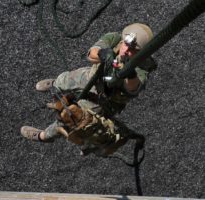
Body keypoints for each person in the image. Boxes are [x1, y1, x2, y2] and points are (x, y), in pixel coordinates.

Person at [20, 23, 156, 155]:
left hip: (104, 99)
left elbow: (132, 88)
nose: (126, 50)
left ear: (141, 52)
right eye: (126, 44)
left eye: (133, 49)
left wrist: (130, 73)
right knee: (64, 79)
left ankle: (44, 136)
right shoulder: (115, 38)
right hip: (91, 77)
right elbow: (91, 53)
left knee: (70, 118)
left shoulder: (143, 65)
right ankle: (55, 84)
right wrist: (102, 54)